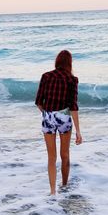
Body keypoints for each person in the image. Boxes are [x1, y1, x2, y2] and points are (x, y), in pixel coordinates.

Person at [35, 50, 82, 196]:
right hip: (64, 117)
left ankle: (52, 191)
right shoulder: (72, 79)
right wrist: (78, 132)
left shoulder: (46, 76)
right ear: (69, 63)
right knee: (65, 154)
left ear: (57, 61)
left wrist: (47, 114)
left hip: (48, 116)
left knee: (51, 157)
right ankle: (64, 185)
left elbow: (38, 102)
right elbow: (73, 106)